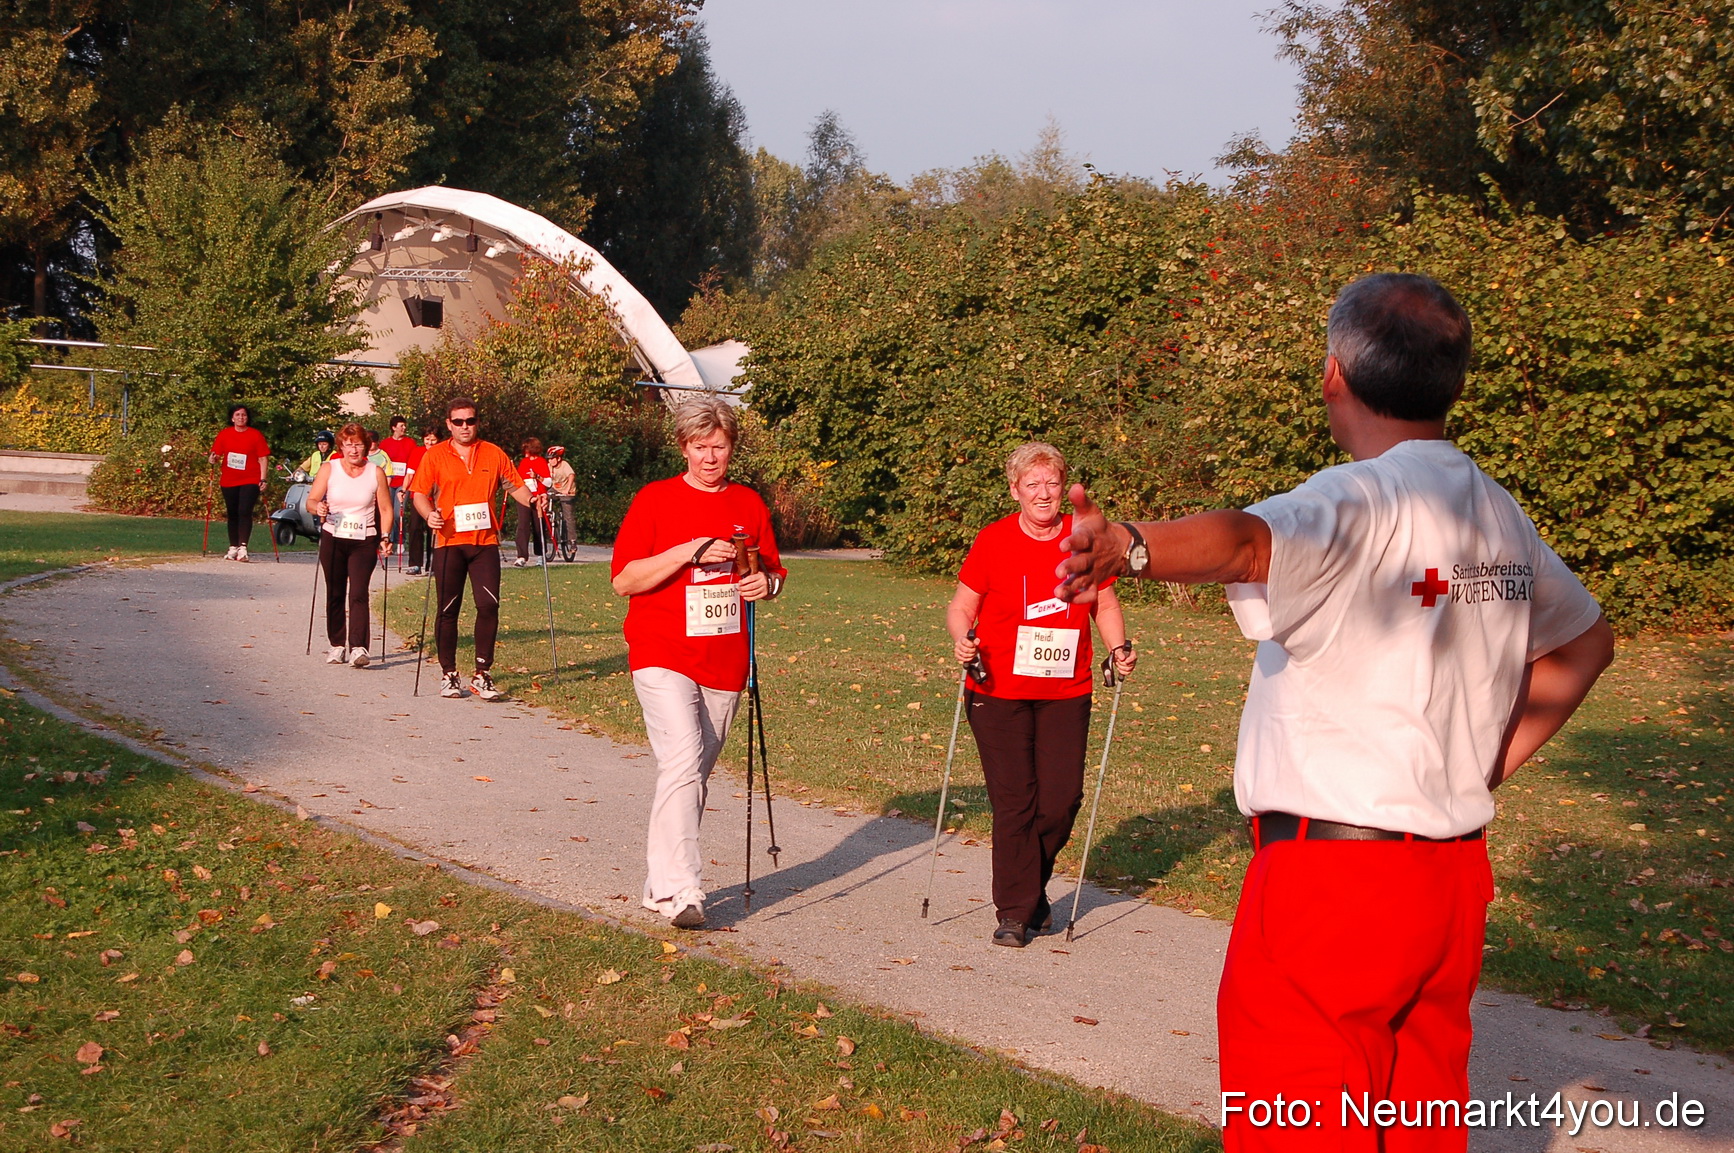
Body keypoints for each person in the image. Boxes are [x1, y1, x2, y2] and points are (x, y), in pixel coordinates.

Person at [1053, 273, 1614, 1153]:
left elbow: (1244, 540)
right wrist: (1486, 760)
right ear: (1451, 383)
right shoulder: (1495, 509)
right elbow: (1586, 645)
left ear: (1333, 375)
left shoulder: (1357, 500)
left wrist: (1133, 545)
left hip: (1332, 887)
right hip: (1450, 883)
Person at [946, 443, 1135, 948]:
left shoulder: (1083, 541)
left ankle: (1030, 890)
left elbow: (1107, 604)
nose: (1044, 493)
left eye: (1052, 483)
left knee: (1058, 801)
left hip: (1065, 691)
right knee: (1015, 804)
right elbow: (962, 606)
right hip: (997, 688)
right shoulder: (993, 541)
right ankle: (1013, 911)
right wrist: (963, 638)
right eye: (1033, 485)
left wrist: (1119, 648)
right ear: (1016, 491)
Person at [610, 395, 786, 930]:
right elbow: (624, 580)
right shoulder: (655, 500)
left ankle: (658, 884)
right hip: (661, 649)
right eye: (701, 447)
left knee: (692, 771)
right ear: (684, 447)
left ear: (731, 448)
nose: (710, 457)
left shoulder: (750, 504)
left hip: (724, 656)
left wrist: (766, 585)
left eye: (720, 447)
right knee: (684, 760)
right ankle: (684, 890)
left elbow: (772, 573)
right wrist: (689, 549)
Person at [408, 398, 544, 701]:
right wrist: (428, 513)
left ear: (477, 422)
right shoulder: (434, 456)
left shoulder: (493, 453)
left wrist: (534, 500)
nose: (465, 427)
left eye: (470, 421)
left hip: (484, 543)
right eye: (458, 422)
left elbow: (515, 486)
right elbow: (419, 493)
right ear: (449, 424)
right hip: (449, 542)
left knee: (488, 605)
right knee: (447, 610)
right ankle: (449, 674)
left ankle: (482, 674)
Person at [307, 423, 393, 667]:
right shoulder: (329, 468)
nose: (353, 450)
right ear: (341, 447)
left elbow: (386, 509)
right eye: (348, 444)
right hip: (334, 535)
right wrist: (318, 507)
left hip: (363, 539)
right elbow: (311, 501)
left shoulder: (375, 472)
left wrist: (385, 536)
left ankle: (358, 647)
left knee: (358, 592)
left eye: (358, 444)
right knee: (335, 592)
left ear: (366, 446)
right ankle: (336, 644)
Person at [207, 404, 270, 562]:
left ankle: (243, 547)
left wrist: (263, 479)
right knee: (232, 512)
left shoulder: (255, 435)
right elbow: (215, 455)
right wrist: (213, 458)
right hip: (229, 479)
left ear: (247, 418)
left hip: (250, 478)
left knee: (244, 510)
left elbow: (263, 458)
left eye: (244, 415)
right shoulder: (225, 434)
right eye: (238, 415)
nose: (241, 418)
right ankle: (233, 546)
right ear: (232, 418)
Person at [377, 415, 419, 553]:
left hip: (403, 483)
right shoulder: (385, 443)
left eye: (405, 426)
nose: (404, 428)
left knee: (397, 513)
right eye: (401, 426)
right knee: (386, 511)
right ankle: (386, 539)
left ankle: (400, 540)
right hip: (388, 482)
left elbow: (412, 462)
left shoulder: (410, 443)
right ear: (393, 428)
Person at [513, 437, 553, 567]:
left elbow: (548, 482)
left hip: (538, 498)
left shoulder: (541, 462)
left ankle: (541, 555)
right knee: (523, 525)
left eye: (527, 448)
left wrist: (537, 477)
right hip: (525, 498)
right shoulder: (523, 462)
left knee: (538, 526)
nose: (525, 451)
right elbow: (519, 480)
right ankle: (521, 556)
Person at [401, 428, 436, 575]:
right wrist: (403, 490)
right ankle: (415, 564)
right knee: (415, 528)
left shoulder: (441, 453)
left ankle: (433, 564)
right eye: (427, 439)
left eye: (433, 439)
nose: (429, 442)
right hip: (417, 495)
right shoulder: (417, 452)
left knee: (432, 530)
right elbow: (409, 474)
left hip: (434, 497)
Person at [547, 445, 578, 555]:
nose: (550, 461)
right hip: (555, 490)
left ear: (558, 458)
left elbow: (571, 476)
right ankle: (549, 517)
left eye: (552, 458)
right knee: (545, 497)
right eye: (549, 459)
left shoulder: (564, 465)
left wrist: (568, 489)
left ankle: (572, 541)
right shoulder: (549, 466)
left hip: (566, 492)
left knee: (568, 516)